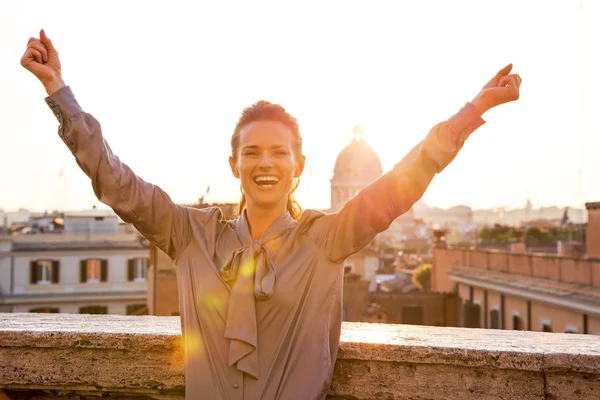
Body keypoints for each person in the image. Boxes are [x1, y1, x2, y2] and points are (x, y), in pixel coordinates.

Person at [21, 29, 521, 400]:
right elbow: (114, 179)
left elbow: (402, 182)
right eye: (252, 152)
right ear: (233, 164)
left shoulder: (325, 238)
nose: (265, 163)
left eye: (279, 153)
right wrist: (57, 88)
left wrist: (474, 109)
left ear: (299, 166)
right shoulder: (190, 233)